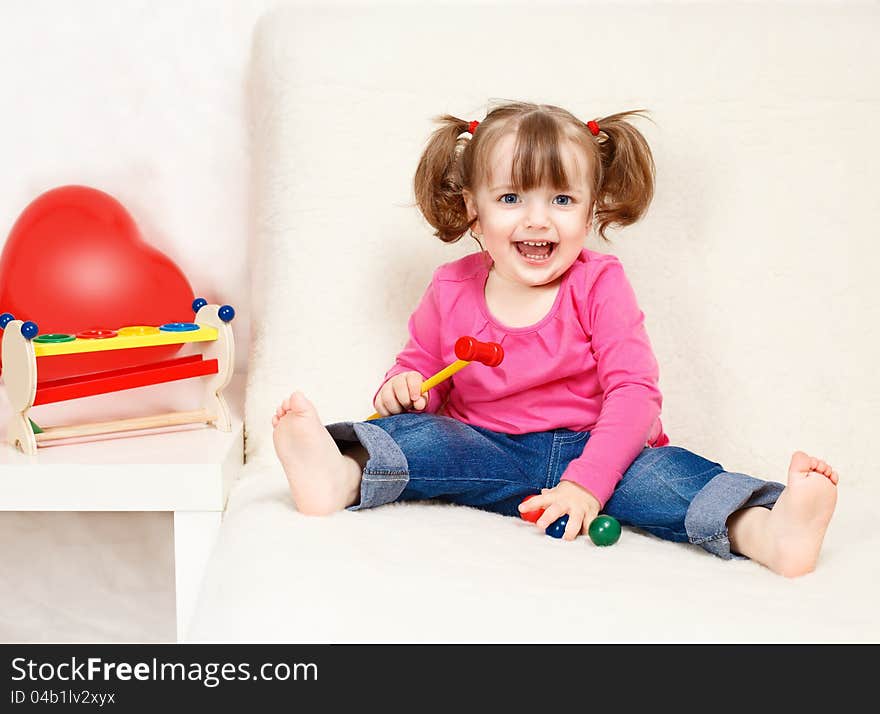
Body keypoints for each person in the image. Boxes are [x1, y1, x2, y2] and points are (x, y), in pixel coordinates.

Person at [271, 100, 838, 577]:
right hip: (487, 447)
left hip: (601, 450)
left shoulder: (599, 284)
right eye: (512, 198)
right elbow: (421, 369)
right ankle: (339, 476)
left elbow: (635, 395)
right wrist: (404, 387)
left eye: (561, 200)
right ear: (473, 209)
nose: (538, 220)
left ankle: (768, 532)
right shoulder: (450, 288)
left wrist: (588, 485)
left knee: (667, 483)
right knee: (421, 438)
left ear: (591, 209)